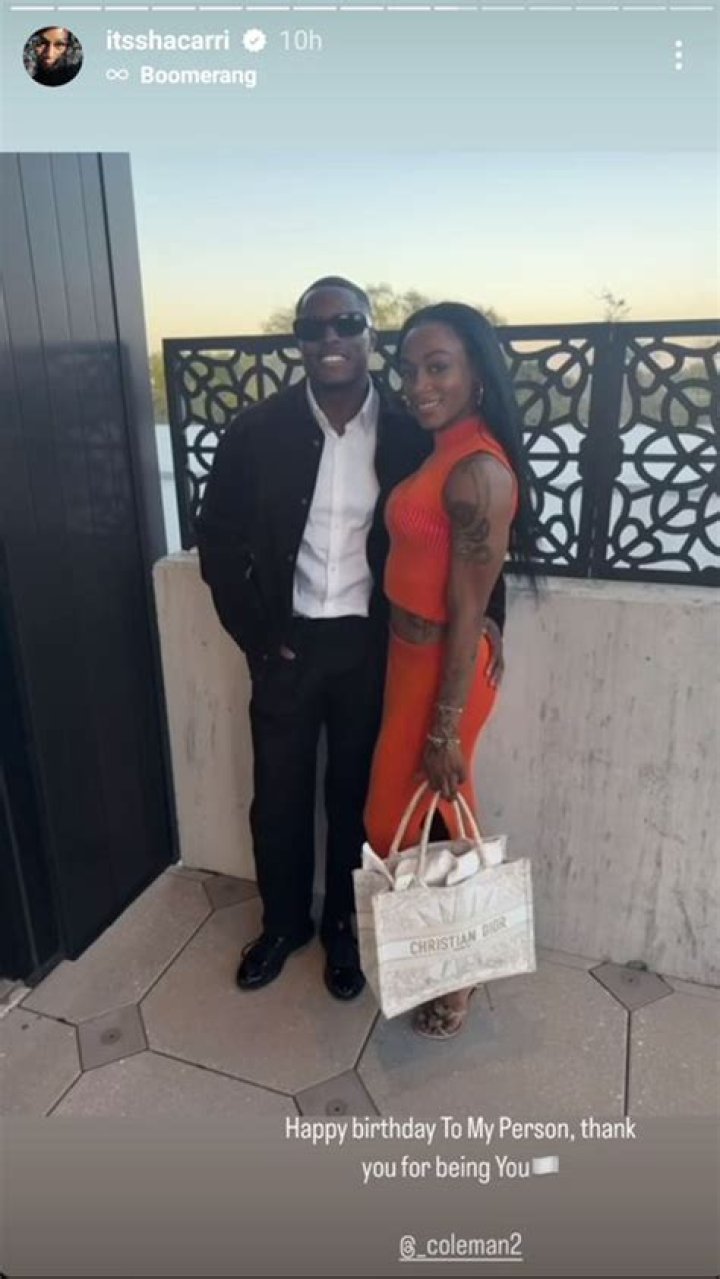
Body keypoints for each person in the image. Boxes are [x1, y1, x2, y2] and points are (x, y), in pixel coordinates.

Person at [196, 278, 507, 1001]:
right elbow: (216, 537)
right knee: (278, 796)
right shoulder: (257, 429)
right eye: (313, 328)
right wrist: (256, 634)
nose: (330, 339)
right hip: (286, 646)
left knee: (355, 798)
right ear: (299, 341)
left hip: (374, 650)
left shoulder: (409, 429)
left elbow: (470, 533)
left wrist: (494, 618)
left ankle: (343, 927)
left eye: (347, 323)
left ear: (371, 335)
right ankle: (283, 925)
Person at [363, 302, 538, 1039]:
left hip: (443, 672)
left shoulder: (478, 471)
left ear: (476, 375)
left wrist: (445, 726)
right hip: (410, 659)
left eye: (438, 368)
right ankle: (443, 955)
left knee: (418, 815)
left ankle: (461, 974)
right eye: (408, 370)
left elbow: (467, 606)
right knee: (417, 818)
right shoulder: (441, 450)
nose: (419, 385)